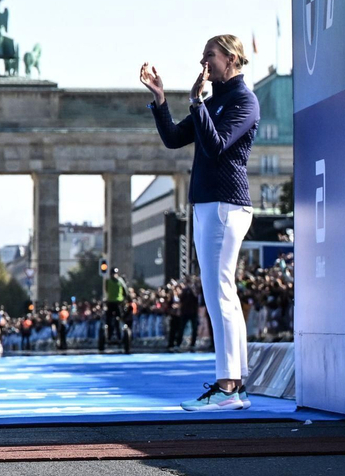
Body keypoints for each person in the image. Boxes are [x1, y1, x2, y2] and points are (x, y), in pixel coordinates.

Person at [141, 35, 259, 412]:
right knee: (222, 292)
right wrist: (161, 99)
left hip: (226, 202)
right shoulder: (214, 102)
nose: (203, 61)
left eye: (210, 55)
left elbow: (217, 145)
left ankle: (227, 386)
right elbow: (175, 138)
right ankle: (236, 384)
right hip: (209, 203)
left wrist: (196, 102)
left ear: (232, 59)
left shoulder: (244, 101)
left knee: (219, 291)